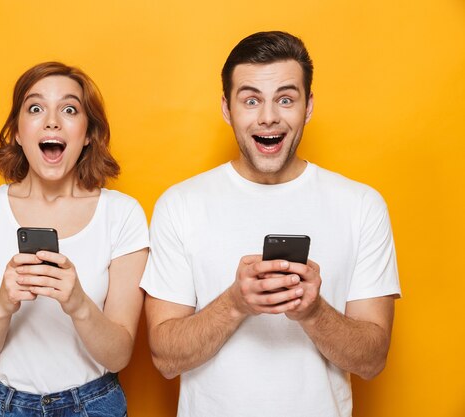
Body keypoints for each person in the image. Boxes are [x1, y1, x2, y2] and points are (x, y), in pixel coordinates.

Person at [141, 31, 400, 417]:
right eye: (250, 100)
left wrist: (313, 312)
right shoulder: (180, 205)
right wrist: (234, 303)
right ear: (227, 109)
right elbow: (164, 357)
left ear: (307, 106)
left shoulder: (361, 206)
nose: (268, 117)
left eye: (285, 98)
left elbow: (372, 360)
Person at [0, 62, 149, 417]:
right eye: (35, 108)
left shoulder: (123, 214)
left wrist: (78, 303)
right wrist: (4, 303)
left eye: (69, 109)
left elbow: (119, 356)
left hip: (94, 405)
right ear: (18, 132)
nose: (52, 121)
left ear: (87, 134)